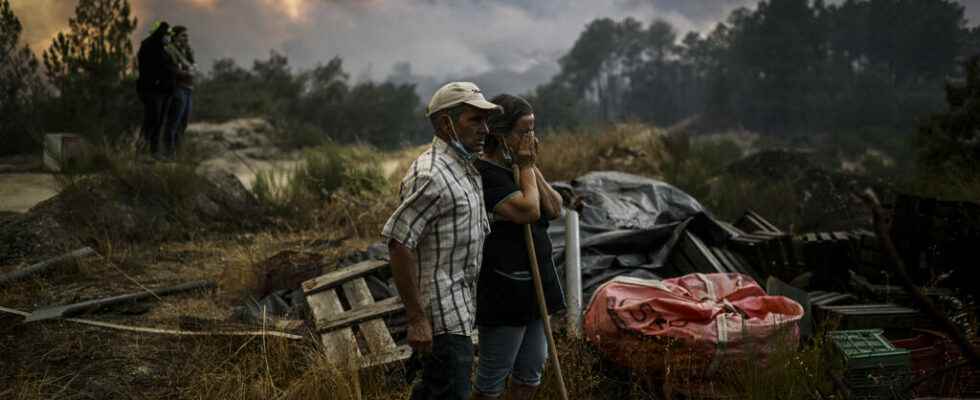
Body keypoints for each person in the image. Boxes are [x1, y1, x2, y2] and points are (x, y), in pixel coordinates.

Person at [382, 82, 500, 400]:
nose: (484, 129)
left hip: (460, 310)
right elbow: (398, 242)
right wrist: (417, 319)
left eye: (485, 121)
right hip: (440, 319)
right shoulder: (431, 174)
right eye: (474, 120)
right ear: (446, 123)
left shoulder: (463, 169)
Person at [471, 94, 565, 400]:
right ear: (500, 134)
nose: (531, 138)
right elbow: (528, 210)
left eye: (533, 130)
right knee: (492, 381)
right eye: (523, 131)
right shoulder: (485, 175)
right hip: (506, 291)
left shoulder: (520, 169)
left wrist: (529, 166)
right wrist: (525, 165)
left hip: (536, 293)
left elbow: (553, 207)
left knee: (530, 374)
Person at [136, 21, 176, 158]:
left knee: (159, 121)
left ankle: (154, 152)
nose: (169, 38)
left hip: (164, 91)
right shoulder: (148, 47)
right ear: (161, 34)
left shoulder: (164, 49)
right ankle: (141, 150)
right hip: (152, 90)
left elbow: (170, 67)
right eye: (167, 35)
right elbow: (153, 68)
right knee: (151, 119)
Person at [162, 25, 196, 159]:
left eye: (186, 36)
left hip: (188, 89)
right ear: (175, 36)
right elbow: (173, 69)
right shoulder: (169, 51)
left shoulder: (187, 51)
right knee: (173, 123)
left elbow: (192, 67)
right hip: (177, 88)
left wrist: (187, 69)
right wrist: (185, 71)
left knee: (183, 124)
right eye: (183, 35)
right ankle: (168, 154)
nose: (186, 38)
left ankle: (177, 155)